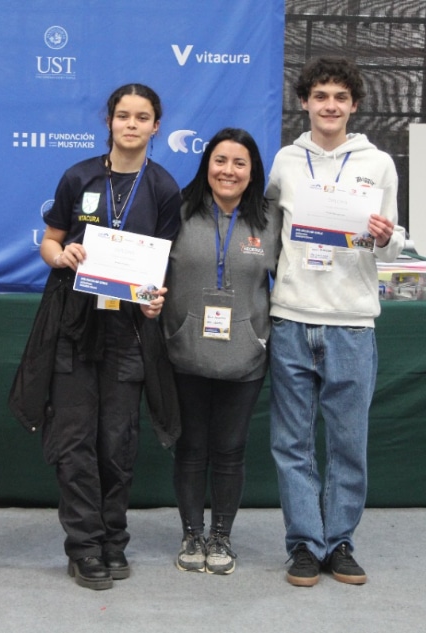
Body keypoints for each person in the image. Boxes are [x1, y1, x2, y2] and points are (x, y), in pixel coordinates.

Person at [8, 83, 182, 590]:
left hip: (128, 330)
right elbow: (51, 239)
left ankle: (113, 540)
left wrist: (154, 300)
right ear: (109, 121)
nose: (131, 124)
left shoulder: (165, 188)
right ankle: (83, 548)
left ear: (156, 125)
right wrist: (59, 257)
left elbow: (162, 263)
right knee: (75, 440)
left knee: (117, 443)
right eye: (122, 115)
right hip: (73, 325)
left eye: (142, 116)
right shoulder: (78, 176)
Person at [265, 56, 403, 587]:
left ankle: (340, 540)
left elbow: (388, 243)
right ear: (304, 102)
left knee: (348, 442)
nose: (329, 106)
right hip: (292, 317)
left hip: (352, 321)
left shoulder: (380, 164)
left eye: (340, 98)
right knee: (292, 442)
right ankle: (304, 543)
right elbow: (270, 230)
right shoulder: (284, 162)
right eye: (320, 96)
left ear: (354, 105)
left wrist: (387, 237)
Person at [163, 128, 280, 575]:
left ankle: (221, 537)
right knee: (191, 447)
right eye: (220, 160)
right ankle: (192, 534)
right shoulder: (177, 212)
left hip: (245, 354)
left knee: (230, 448)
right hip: (185, 350)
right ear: (205, 164)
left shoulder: (271, 219)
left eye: (239, 163)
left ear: (253, 173)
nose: (228, 170)